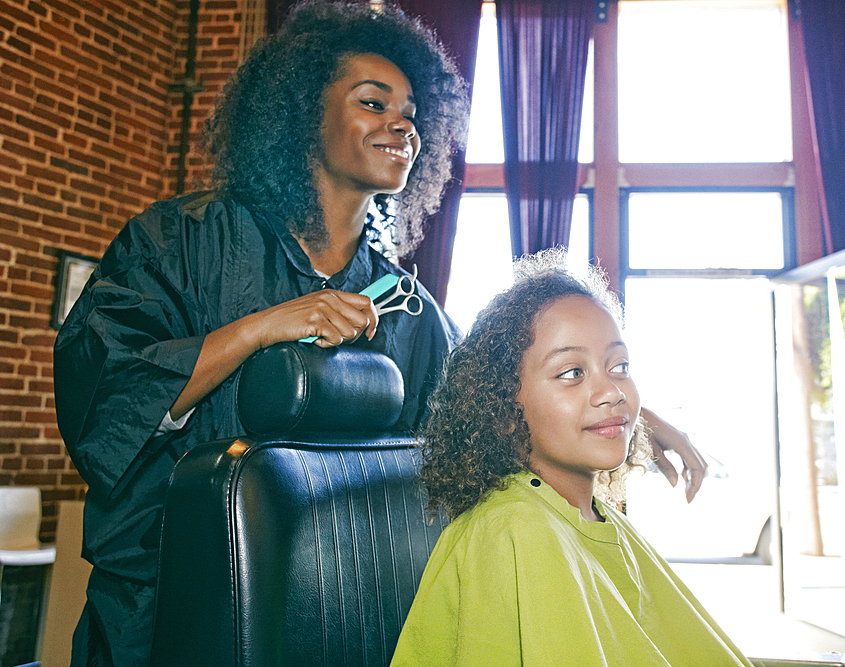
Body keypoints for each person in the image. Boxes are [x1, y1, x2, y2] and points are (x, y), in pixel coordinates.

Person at [53, 2, 469, 665]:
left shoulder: (407, 309)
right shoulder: (178, 244)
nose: (403, 126)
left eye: (413, 114)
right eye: (373, 102)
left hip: (337, 621)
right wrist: (262, 328)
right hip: (166, 617)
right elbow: (108, 391)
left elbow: (478, 420)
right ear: (304, 116)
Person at [391, 249, 749, 667]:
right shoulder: (517, 531)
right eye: (572, 373)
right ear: (504, 406)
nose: (613, 392)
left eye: (620, 366)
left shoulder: (595, 517)